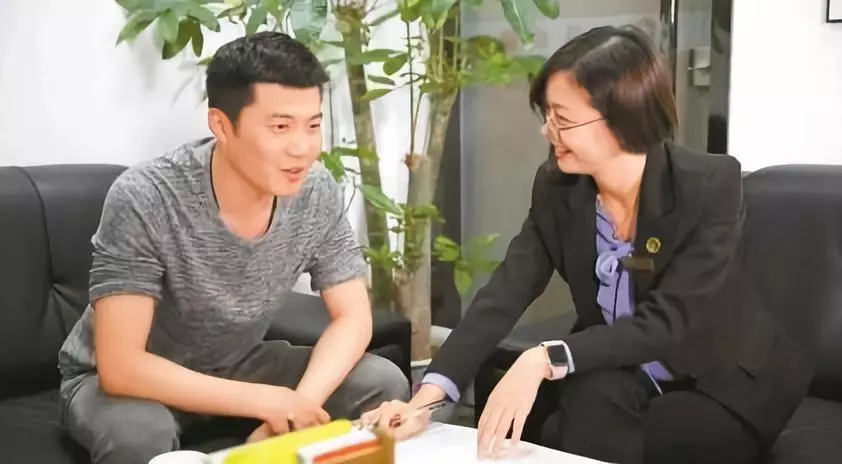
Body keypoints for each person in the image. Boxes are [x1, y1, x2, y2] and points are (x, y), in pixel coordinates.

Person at [363, 25, 811, 464]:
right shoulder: (558, 187)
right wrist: (425, 399)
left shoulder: (710, 185)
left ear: (624, 119)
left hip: (719, 381)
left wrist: (545, 357)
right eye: (547, 115)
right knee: (586, 405)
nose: (547, 131)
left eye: (563, 119)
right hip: (622, 369)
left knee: (574, 426)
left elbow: (669, 322)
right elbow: (505, 292)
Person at [58, 31, 409, 464]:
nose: (302, 148)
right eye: (280, 127)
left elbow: (353, 317)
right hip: (130, 380)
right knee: (139, 435)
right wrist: (265, 402)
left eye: (313, 125)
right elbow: (121, 365)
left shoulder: (315, 191)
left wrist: (296, 409)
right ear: (222, 126)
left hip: (238, 362)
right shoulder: (146, 196)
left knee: (382, 381)